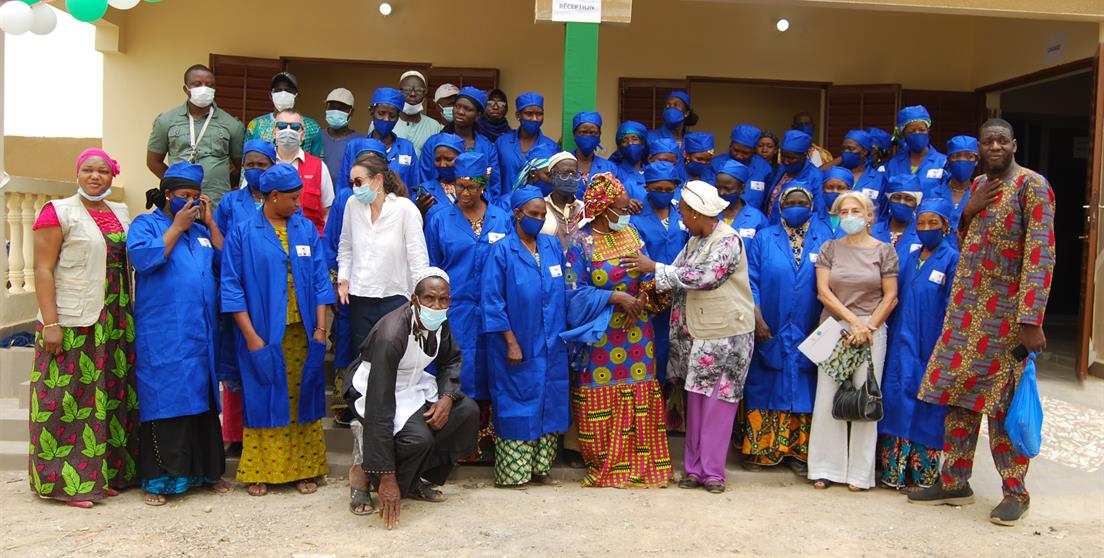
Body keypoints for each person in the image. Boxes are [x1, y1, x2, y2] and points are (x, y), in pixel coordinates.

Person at [910, 119, 1055, 526]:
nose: (994, 146)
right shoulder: (976, 186)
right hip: (966, 311)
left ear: (1014, 144)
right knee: (959, 396)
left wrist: (1031, 319)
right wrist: (966, 212)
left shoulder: (1033, 186)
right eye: (987, 141)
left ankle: (1016, 491)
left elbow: (1041, 255)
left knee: (1001, 404)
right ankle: (955, 482)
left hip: (1005, 316)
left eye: (1000, 141)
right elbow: (962, 241)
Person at [624, 180, 755, 494]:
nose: (680, 217)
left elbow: (704, 277)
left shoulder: (728, 240)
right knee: (695, 402)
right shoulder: (695, 240)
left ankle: (713, 473)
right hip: (697, 336)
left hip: (726, 335)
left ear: (698, 213)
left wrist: (654, 267)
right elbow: (675, 274)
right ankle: (694, 470)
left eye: (683, 211)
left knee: (718, 405)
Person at [29, 149, 138, 507]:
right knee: (68, 399)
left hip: (116, 316)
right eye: (88, 170)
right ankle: (65, 483)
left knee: (106, 396)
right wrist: (51, 322)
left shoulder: (119, 212)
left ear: (112, 176)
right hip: (74, 317)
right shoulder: (58, 212)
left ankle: (101, 475)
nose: (96, 176)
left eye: (103, 171)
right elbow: (43, 269)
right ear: (77, 174)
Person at [220, 163, 334, 497]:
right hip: (262, 332)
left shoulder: (306, 229)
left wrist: (321, 329)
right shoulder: (243, 231)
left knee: (302, 396)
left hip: (303, 330)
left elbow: (318, 280)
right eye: (293, 198)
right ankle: (261, 470)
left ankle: (304, 468)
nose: (298, 204)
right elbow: (232, 287)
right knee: (264, 394)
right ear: (273, 196)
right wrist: (251, 336)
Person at [345, 269, 478, 528]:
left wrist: (447, 398)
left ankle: (416, 479)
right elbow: (379, 408)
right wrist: (387, 477)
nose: (436, 306)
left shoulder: (439, 320)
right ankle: (366, 475)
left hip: (412, 384)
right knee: (418, 438)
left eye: (443, 300)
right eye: (429, 299)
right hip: (375, 389)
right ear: (413, 299)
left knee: (466, 412)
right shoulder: (391, 334)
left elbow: (451, 359)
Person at [128, 162, 228, 505]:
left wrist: (210, 223)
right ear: (166, 195)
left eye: (195, 198)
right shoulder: (146, 224)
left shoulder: (200, 231)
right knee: (167, 402)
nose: (190, 203)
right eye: (183, 197)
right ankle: (160, 481)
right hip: (164, 334)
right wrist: (176, 227)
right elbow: (143, 259)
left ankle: (205, 473)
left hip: (200, 335)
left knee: (201, 403)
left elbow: (224, 261)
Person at [564, 173, 671, 488]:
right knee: (600, 396)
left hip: (638, 330)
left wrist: (640, 298)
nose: (626, 213)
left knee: (640, 390)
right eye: (621, 208)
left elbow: (648, 271)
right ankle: (607, 465)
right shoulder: (579, 242)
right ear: (604, 208)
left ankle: (641, 466)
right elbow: (571, 292)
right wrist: (614, 297)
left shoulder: (632, 232)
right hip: (600, 337)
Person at [480, 186, 572, 488]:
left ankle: (541, 469)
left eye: (542, 215)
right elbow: (492, 301)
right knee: (517, 401)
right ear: (517, 214)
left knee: (548, 399)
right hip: (518, 340)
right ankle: (514, 474)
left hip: (552, 342)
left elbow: (563, 291)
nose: (539, 219)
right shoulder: (502, 251)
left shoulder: (551, 246)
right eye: (533, 214)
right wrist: (511, 341)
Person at [808, 191, 899, 491]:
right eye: (842, 212)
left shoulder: (884, 251)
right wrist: (854, 322)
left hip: (872, 332)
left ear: (869, 215)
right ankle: (824, 468)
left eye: (855, 211)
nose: (849, 217)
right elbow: (824, 292)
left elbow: (890, 295)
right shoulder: (829, 248)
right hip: (836, 329)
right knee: (827, 397)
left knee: (866, 396)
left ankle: (860, 474)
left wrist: (868, 326)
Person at [425, 151, 512, 463]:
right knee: (458, 372)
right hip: (455, 312)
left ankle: (488, 447)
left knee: (492, 373)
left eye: (472, 187)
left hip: (492, 311)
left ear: (483, 185)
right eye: (460, 186)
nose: (464, 193)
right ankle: (458, 448)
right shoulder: (438, 219)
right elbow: (432, 269)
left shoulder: (501, 218)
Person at [742, 185, 828, 474]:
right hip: (771, 320)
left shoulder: (826, 238)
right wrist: (757, 315)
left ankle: (799, 453)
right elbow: (750, 279)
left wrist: (825, 322)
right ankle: (763, 450)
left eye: (801, 201)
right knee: (766, 380)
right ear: (779, 206)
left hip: (810, 321)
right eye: (789, 201)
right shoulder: (764, 238)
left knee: (804, 382)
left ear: (812, 205)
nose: (795, 205)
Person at [877, 198, 959, 492]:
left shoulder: (952, 259)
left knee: (927, 407)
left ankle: (922, 476)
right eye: (921, 223)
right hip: (901, 343)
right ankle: (893, 474)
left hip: (931, 344)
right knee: (896, 400)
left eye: (932, 223)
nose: (925, 229)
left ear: (945, 226)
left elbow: (953, 307)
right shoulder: (910, 257)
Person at [213, 139, 276, 450]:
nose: (254, 170)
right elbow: (220, 240)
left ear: (272, 166)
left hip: (269, 290)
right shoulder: (230, 203)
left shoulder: (278, 199)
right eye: (249, 164)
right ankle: (235, 436)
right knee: (236, 364)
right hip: (237, 286)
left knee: (265, 358)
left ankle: (263, 433)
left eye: (260, 165)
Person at [337, 151, 427, 353]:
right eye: (352, 182)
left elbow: (418, 258)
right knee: (364, 360)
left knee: (392, 360)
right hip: (360, 297)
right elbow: (346, 246)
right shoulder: (352, 205)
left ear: (377, 179)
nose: (354, 188)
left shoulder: (405, 209)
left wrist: (418, 300)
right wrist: (343, 277)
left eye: (359, 182)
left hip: (395, 298)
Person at [147, 64, 245, 205]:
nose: (204, 88)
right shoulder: (166, 121)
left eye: (209, 85)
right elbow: (153, 161)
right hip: (179, 201)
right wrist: (175, 181)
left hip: (216, 202)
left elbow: (241, 166)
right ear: (186, 89)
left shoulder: (232, 124)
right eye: (197, 84)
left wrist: (219, 182)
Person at [630, 161, 689, 387]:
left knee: (678, 352)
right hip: (649, 296)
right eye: (658, 189)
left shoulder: (683, 214)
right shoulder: (634, 218)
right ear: (647, 187)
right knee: (653, 350)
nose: (663, 194)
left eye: (668, 189)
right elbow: (636, 257)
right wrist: (650, 289)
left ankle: (673, 412)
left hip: (681, 292)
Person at [419, 87, 502, 203]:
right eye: (457, 106)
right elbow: (426, 180)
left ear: (478, 115)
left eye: (468, 109)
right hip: (439, 208)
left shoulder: (487, 148)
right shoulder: (433, 143)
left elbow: (493, 186)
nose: (460, 112)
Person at [271, 110, 334, 235]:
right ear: (274, 133)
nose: (288, 131)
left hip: (309, 242)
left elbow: (327, 212)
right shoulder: (263, 163)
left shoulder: (319, 167)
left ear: (303, 135)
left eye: (295, 127)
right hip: (269, 241)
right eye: (282, 126)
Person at [495, 92, 558, 202]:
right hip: (505, 207)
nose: (534, 118)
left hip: (538, 211)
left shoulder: (552, 147)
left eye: (539, 114)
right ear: (518, 115)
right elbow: (495, 180)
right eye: (529, 113)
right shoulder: (502, 143)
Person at [245, 72, 323, 157]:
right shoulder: (255, 125)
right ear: (270, 95)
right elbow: (246, 161)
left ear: (297, 95)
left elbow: (318, 161)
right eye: (278, 90)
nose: (283, 94)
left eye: (288, 90)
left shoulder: (313, 127)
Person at [884, 105, 947, 195]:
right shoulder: (892, 165)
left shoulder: (944, 163)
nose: (917, 133)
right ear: (903, 135)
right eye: (911, 131)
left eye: (922, 130)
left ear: (928, 131)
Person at [765, 130, 824, 224]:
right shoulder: (782, 169)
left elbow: (819, 212)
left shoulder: (816, 177)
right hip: (772, 229)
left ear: (804, 155)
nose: (786, 161)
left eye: (791, 158)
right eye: (783, 156)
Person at [365, 87, 420, 188]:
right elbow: (345, 190)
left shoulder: (407, 148)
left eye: (392, 115)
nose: (386, 119)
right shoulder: (357, 147)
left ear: (398, 117)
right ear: (372, 112)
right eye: (381, 113)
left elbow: (415, 187)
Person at [712, 124, 773, 211]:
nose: (739, 156)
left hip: (752, 220)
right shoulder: (716, 164)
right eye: (736, 150)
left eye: (745, 153)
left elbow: (767, 200)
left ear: (754, 150)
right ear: (730, 145)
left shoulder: (764, 168)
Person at [540, 151, 591, 250]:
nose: (571, 178)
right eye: (564, 174)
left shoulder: (585, 209)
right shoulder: (541, 208)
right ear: (551, 176)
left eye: (575, 174)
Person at [928, 135, 979, 233]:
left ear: (976, 161)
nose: (962, 161)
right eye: (956, 156)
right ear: (948, 160)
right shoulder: (934, 194)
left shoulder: (979, 192)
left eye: (969, 156)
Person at [836, 129, 887, 212]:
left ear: (864, 152)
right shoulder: (835, 175)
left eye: (850, 149)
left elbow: (883, 211)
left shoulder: (879, 179)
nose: (846, 151)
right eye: (844, 148)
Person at [872, 174, 923, 257]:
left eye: (908, 199)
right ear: (889, 200)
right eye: (897, 197)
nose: (902, 202)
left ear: (916, 204)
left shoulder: (921, 234)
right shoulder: (873, 231)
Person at [716, 160, 769, 240]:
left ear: (742, 188)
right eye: (718, 188)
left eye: (728, 189)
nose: (722, 192)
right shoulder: (709, 213)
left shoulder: (757, 218)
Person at [321, 88, 363, 187]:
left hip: (346, 199)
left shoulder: (359, 142)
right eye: (332, 107)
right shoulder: (317, 137)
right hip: (319, 199)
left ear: (351, 112)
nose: (336, 111)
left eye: (341, 108)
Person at [395, 70, 443, 154]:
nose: (412, 94)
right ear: (399, 92)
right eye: (407, 90)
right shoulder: (387, 122)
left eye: (419, 90)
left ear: (425, 94)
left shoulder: (434, 126)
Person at [570, 112, 618, 193]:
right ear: (575, 134)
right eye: (583, 132)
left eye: (593, 133)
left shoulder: (609, 168)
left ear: (599, 135)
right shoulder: (562, 163)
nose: (588, 136)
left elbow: (618, 194)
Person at [647, 90, 697, 159]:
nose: (671, 108)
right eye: (668, 105)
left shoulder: (693, 139)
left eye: (676, 105)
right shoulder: (650, 136)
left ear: (686, 113)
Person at [611, 120, 649, 201]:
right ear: (620, 147)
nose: (630, 143)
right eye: (624, 141)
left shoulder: (650, 171)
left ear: (643, 144)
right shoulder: (614, 172)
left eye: (634, 139)